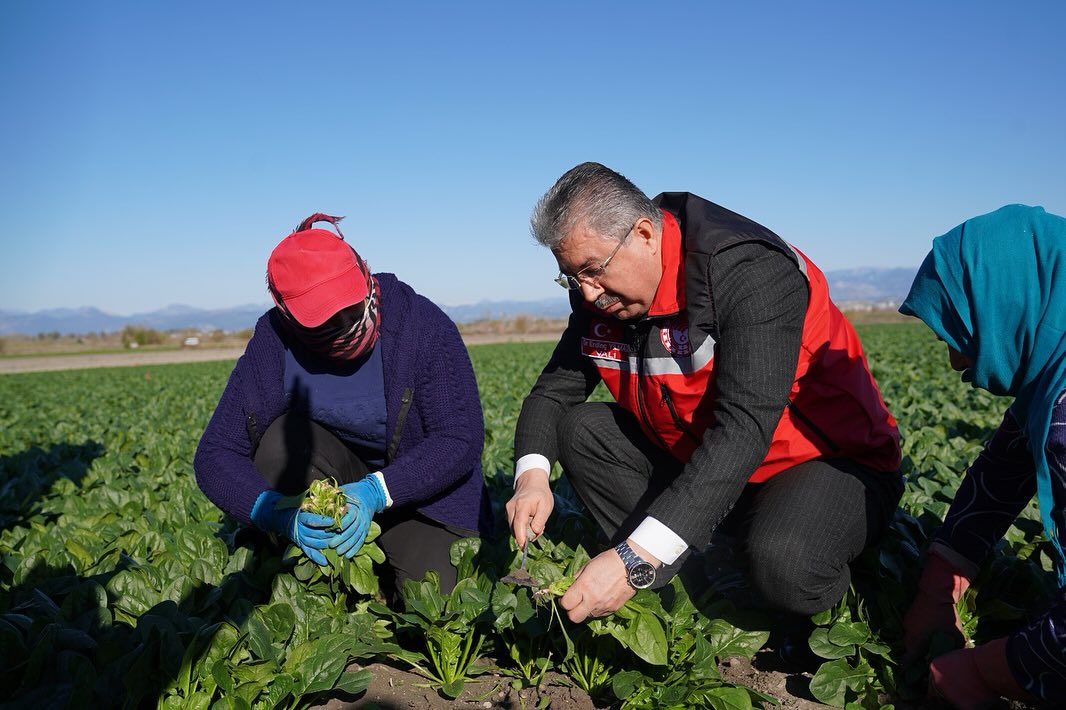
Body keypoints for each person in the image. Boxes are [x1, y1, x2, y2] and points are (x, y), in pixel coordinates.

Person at [506, 162, 903, 626]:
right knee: (581, 430)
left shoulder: (746, 270)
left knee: (786, 565)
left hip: (824, 462)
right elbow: (554, 392)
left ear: (644, 234)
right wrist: (531, 477)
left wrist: (636, 555)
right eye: (571, 278)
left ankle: (796, 587)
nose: (588, 294)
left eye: (592, 271)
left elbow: (745, 427)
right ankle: (691, 589)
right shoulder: (602, 294)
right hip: (710, 465)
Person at [195, 213, 492, 599]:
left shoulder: (421, 326)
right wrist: (274, 512)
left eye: (355, 306)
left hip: (421, 495)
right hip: (337, 479)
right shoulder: (274, 344)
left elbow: (459, 437)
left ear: (365, 273)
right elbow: (215, 453)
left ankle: (387, 561)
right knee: (278, 443)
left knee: (436, 606)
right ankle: (324, 565)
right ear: (289, 317)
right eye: (328, 321)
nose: (353, 324)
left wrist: (375, 492)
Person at [899, 204, 1066, 709]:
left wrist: (988, 670)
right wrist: (939, 579)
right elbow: (1003, 469)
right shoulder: (1052, 371)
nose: (954, 361)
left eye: (960, 332)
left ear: (1007, 302)